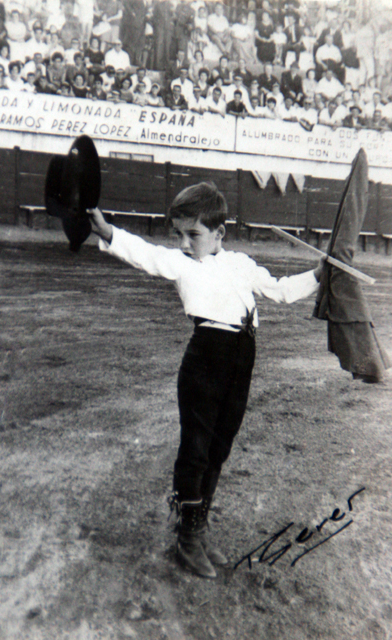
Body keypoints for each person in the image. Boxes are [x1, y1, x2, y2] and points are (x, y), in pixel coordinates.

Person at [87, 182, 323, 579]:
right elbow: (146, 255)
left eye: (192, 234)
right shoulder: (182, 264)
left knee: (220, 444)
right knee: (195, 449)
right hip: (205, 360)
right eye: (177, 234)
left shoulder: (242, 265)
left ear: (219, 235)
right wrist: (108, 231)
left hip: (241, 360)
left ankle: (199, 526)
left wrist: (319, 274)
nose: (183, 243)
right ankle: (187, 540)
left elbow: (281, 292)